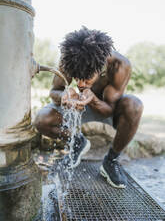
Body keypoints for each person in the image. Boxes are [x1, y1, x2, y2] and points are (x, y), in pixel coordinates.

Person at [34, 26, 143, 189]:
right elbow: (54, 91)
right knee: (42, 119)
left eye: (86, 79)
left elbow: (110, 110)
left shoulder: (119, 66)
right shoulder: (70, 59)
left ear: (101, 68)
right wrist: (64, 96)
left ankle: (111, 161)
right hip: (76, 105)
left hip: (104, 107)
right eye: (76, 78)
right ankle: (77, 143)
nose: (80, 84)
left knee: (134, 105)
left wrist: (92, 99)